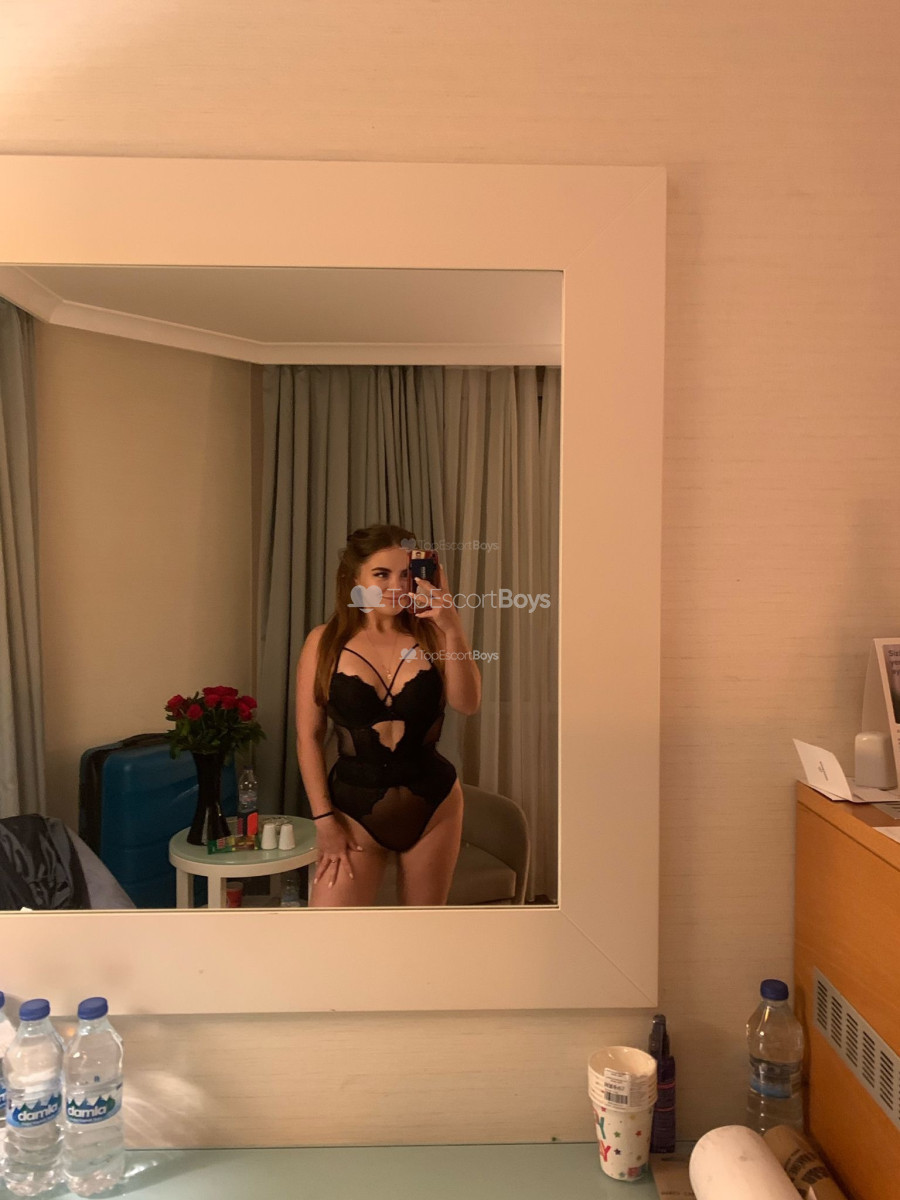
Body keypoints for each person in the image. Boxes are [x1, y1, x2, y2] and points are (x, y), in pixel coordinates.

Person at [296, 524, 482, 907]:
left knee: (422, 931)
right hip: (353, 809)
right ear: (354, 578)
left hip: (434, 804)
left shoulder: (433, 636)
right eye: (381, 574)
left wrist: (452, 627)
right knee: (330, 931)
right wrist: (323, 819)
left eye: (405, 575)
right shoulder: (323, 642)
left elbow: (468, 703)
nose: (396, 586)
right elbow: (308, 737)